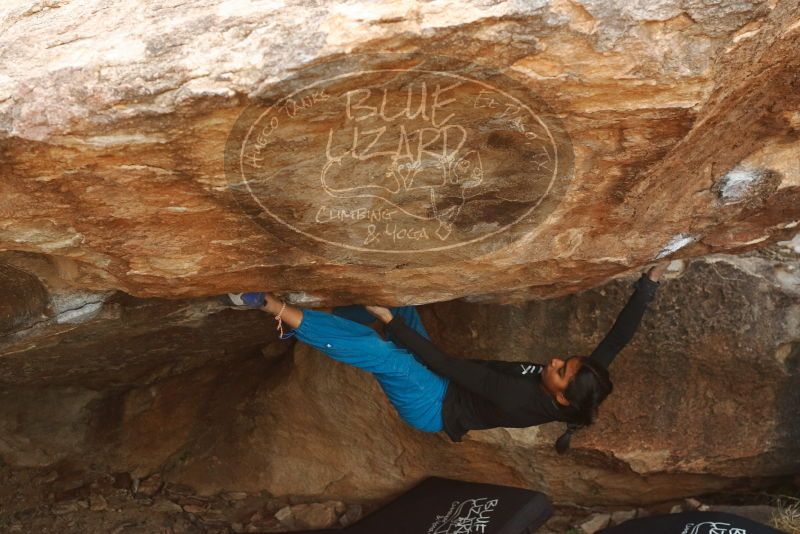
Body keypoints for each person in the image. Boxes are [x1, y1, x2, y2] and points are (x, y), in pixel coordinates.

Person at [222, 262, 667, 452]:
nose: (554, 361)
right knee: (403, 306)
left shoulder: (518, 399)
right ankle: (316, 321)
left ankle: (269, 306)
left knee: (386, 353)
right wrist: (649, 282)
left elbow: (446, 367)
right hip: (448, 382)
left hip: (434, 407)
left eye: (561, 371)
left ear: (563, 399)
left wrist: (392, 327)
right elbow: (618, 338)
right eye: (563, 361)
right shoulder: (581, 381)